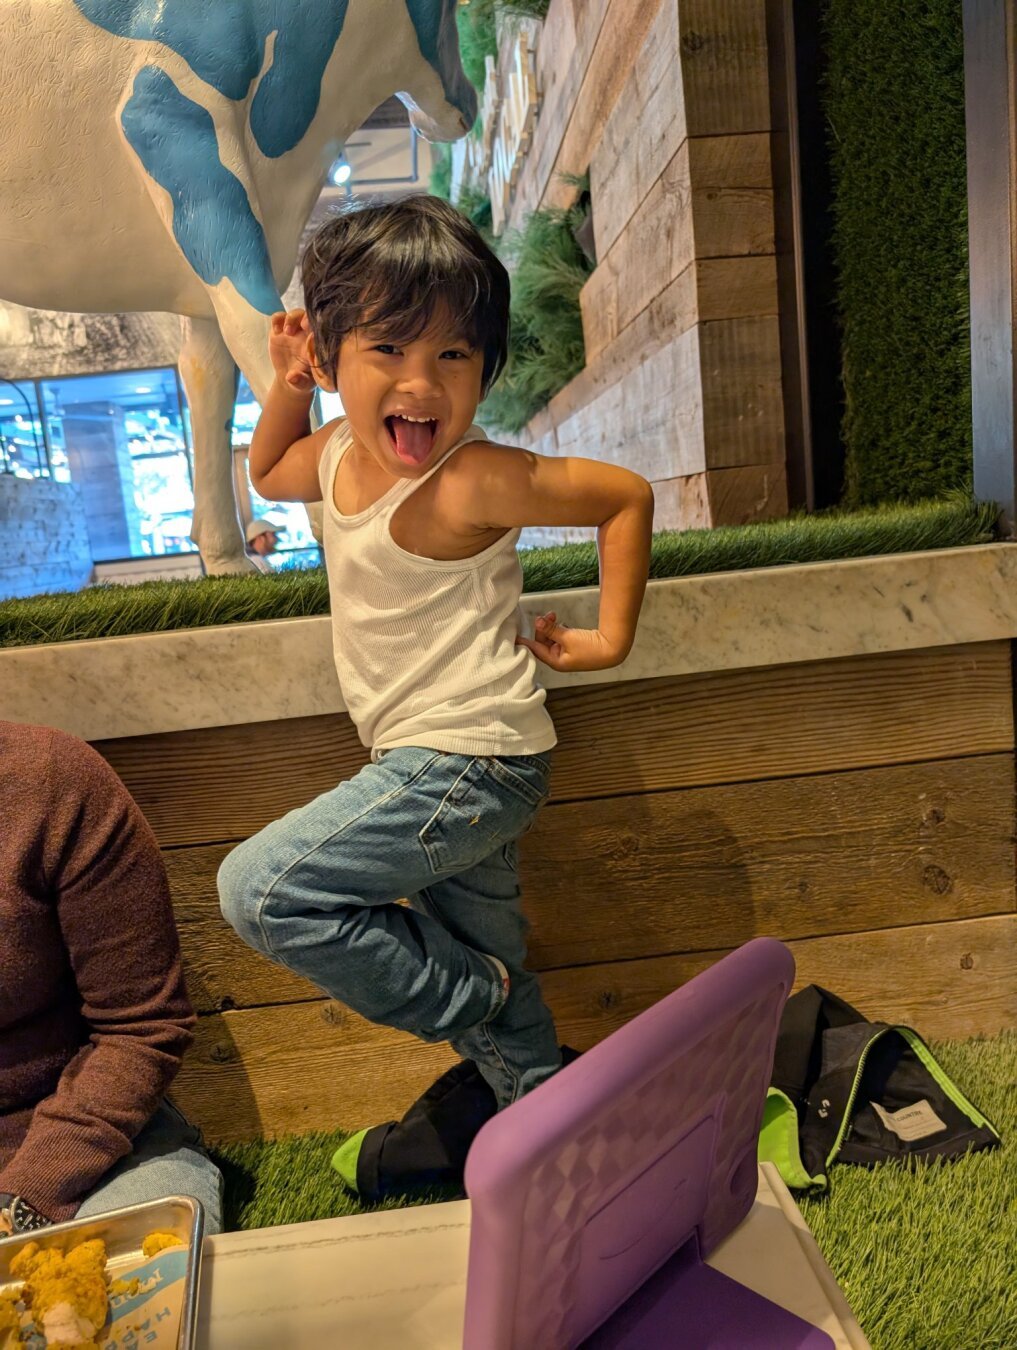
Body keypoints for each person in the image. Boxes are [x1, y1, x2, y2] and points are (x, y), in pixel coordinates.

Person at [217, 194, 654, 1191]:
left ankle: (474, 996)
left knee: (261, 890)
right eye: (388, 350)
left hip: (471, 762)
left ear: (485, 370)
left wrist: (610, 637)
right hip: (447, 768)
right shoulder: (330, 456)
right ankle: (568, 1164)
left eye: (455, 356)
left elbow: (622, 497)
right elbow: (270, 468)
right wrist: (287, 384)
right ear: (329, 360)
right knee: (509, 1020)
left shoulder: (470, 481)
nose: (422, 383)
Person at [0, 721, 223, 1234]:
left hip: (85, 1144)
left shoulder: (51, 780)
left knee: (132, 1293)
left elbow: (141, 1027)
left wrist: (23, 1200)